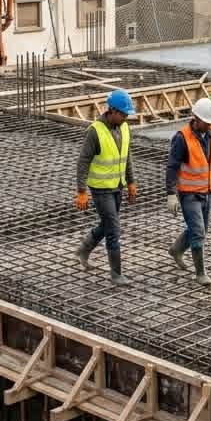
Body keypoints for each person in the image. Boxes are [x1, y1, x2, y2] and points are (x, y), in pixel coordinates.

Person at [165, 97, 211, 287]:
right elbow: (172, 167)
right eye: (207, 121)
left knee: (201, 230)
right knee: (198, 231)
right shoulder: (181, 138)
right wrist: (171, 194)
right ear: (196, 118)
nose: (210, 125)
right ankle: (200, 273)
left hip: (207, 192)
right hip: (188, 194)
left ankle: (176, 250)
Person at [75, 89, 137, 286]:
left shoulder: (124, 128)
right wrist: (81, 191)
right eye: (123, 114)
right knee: (113, 229)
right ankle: (116, 274)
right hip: (101, 188)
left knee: (108, 224)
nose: (126, 117)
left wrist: (131, 182)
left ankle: (84, 249)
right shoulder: (95, 131)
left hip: (117, 186)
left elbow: (126, 157)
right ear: (112, 111)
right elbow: (83, 161)